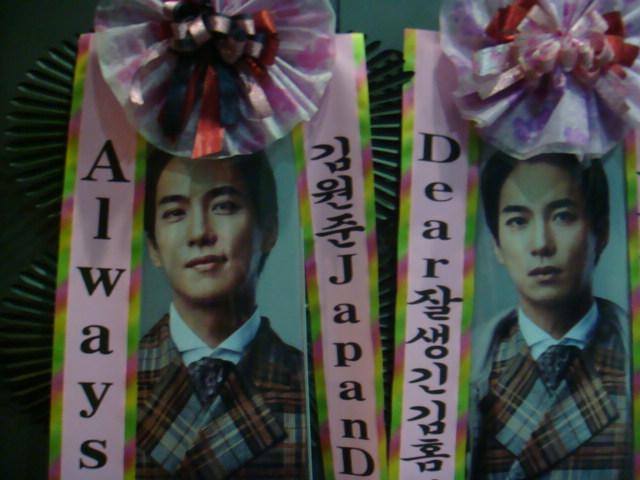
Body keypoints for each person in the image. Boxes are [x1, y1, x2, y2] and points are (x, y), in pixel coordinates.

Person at [136, 147, 307, 478]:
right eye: (175, 213)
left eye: (224, 206)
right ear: (153, 247)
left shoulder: (313, 388)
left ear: (269, 230)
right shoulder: (111, 384)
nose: (200, 233)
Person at [468, 152, 632, 479]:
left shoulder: (628, 359)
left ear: (600, 233)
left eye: (563, 216)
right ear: (497, 244)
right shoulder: (472, 368)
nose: (541, 244)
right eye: (518, 221)